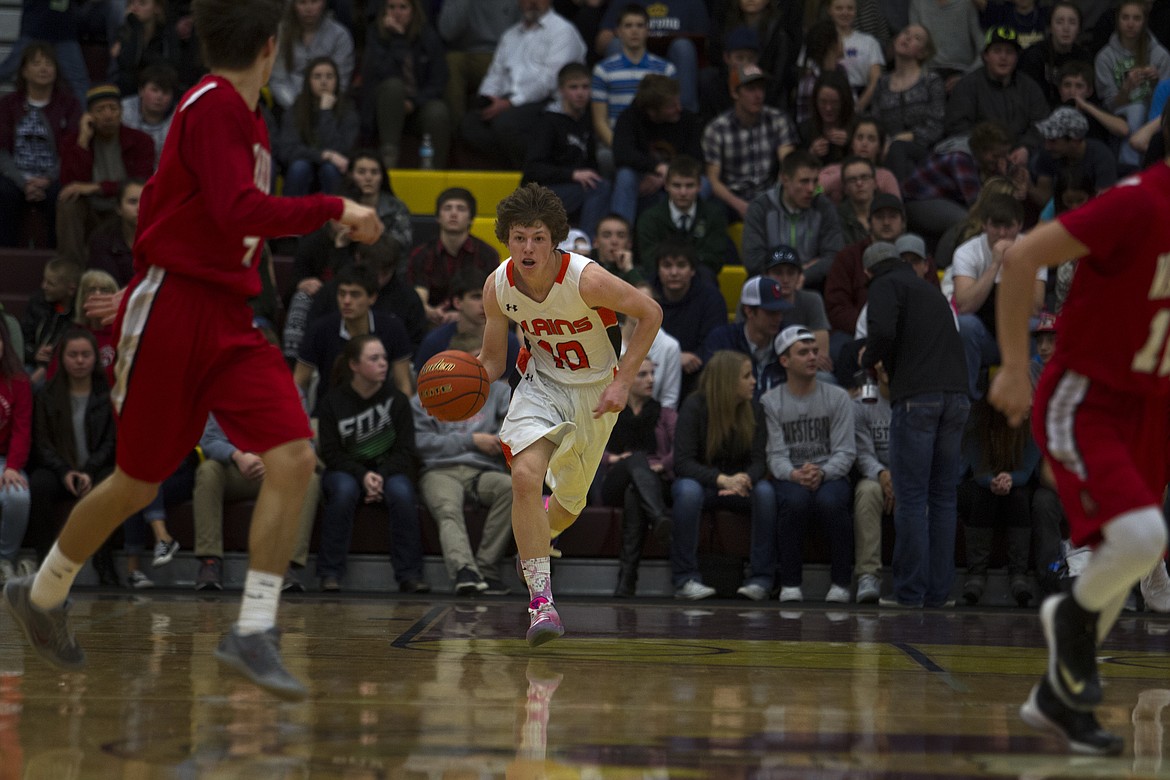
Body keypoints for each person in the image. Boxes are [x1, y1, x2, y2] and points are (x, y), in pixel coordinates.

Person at [3, 0, 384, 701]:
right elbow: (237, 210)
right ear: (271, 47)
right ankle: (44, 591)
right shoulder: (211, 105)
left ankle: (254, 627)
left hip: (224, 315)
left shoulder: (236, 114)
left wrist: (154, 269)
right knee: (138, 483)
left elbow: (173, 210)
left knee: (295, 455)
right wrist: (334, 208)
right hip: (177, 311)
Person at [989, 119, 1170, 755]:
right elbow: (1021, 256)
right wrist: (1014, 367)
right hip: (1086, 397)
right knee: (1146, 537)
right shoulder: (1135, 202)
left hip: (1152, 405)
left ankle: (1055, 702)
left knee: (1130, 560)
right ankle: (1067, 619)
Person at [477, 183, 662, 645]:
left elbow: (650, 312)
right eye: (519, 237)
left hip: (596, 392)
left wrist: (623, 381)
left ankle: (539, 528)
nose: (528, 247)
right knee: (524, 476)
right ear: (506, 239)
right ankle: (542, 604)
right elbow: (492, 363)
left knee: (567, 507)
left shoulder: (587, 279)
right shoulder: (498, 287)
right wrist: (457, 386)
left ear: (554, 238)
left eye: (538, 237)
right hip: (541, 385)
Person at [861, 241, 969, 608]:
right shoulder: (930, 291)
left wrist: (868, 358)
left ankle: (909, 592)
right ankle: (938, 593)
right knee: (943, 498)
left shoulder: (883, 285)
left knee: (911, 499)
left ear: (868, 272)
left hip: (918, 399)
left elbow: (883, 331)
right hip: (956, 397)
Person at [317, 334, 428, 594]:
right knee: (343, 492)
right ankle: (329, 573)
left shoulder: (398, 401)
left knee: (402, 494)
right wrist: (363, 475)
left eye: (384, 358)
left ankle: (410, 574)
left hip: (389, 470)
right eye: (374, 358)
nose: (383, 364)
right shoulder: (332, 402)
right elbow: (331, 453)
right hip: (345, 470)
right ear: (354, 365)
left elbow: (405, 450)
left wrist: (379, 475)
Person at [762, 325, 856, 603]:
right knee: (795, 502)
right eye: (803, 352)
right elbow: (775, 455)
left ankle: (841, 583)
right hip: (792, 475)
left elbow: (846, 451)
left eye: (815, 351)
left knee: (832, 502)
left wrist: (823, 472)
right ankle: (790, 583)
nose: (813, 357)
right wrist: (794, 474)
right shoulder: (770, 401)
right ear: (784, 361)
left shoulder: (838, 397)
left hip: (831, 473)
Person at [672, 350, 775, 601]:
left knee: (765, 492)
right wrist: (721, 479)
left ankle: (761, 579)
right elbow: (683, 462)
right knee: (687, 491)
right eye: (746, 376)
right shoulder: (694, 406)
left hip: (740, 486)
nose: (754, 381)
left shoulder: (755, 408)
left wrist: (744, 479)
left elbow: (760, 461)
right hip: (704, 484)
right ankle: (686, 578)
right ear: (728, 380)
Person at [25, 329, 118, 586]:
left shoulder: (107, 394)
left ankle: (104, 562)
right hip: (59, 471)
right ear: (62, 359)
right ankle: (45, 564)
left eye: (85, 355)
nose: (79, 361)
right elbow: (42, 444)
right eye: (73, 355)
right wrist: (65, 471)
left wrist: (88, 470)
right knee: (39, 484)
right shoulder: (46, 395)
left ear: (95, 359)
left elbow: (110, 443)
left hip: (94, 469)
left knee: (110, 484)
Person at [191, 413, 321, 592]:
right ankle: (210, 560)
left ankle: (285, 565)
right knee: (208, 470)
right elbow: (209, 441)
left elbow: (306, 446)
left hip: (276, 473)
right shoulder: (226, 390)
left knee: (309, 479)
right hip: (237, 470)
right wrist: (238, 456)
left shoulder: (289, 392)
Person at [412, 368, 514, 596]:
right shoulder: (426, 395)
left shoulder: (499, 391)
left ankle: (487, 568)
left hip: (482, 468)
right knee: (448, 508)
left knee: (511, 489)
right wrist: (470, 441)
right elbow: (420, 443)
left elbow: (512, 430)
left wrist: (498, 440)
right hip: (440, 469)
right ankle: (464, 570)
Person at [460, 0, 587, 169]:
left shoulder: (563, 31)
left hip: (549, 103)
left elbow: (549, 80)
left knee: (506, 124)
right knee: (470, 125)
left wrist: (510, 103)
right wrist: (487, 99)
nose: (532, 2)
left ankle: (536, 171)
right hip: (510, 101)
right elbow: (495, 75)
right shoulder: (510, 35)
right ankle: (512, 168)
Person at [949, 194, 1044, 399]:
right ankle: (966, 400)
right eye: (996, 226)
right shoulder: (967, 252)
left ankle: (1033, 400)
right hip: (986, 340)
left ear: (1019, 225)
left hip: (1020, 336)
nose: (1002, 234)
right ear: (984, 224)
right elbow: (964, 306)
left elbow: (1036, 308)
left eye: (1008, 226)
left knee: (1038, 325)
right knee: (965, 325)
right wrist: (995, 265)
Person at [54, 83, 154, 265]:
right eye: (100, 110)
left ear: (121, 112)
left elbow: (141, 182)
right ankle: (70, 270)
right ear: (89, 115)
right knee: (68, 203)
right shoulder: (73, 141)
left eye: (113, 108)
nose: (108, 115)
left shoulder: (141, 141)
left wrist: (95, 187)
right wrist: (83, 142)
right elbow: (70, 183)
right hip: (90, 209)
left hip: (123, 208)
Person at [295, 264, 414, 414]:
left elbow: (403, 384)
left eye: (355, 294)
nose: (346, 301)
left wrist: (405, 420)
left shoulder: (392, 328)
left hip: (380, 414)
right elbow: (299, 383)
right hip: (328, 416)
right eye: (341, 293)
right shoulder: (320, 329)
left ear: (372, 298)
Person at [603, 357, 675, 597]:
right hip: (614, 478)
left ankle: (627, 580)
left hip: (654, 480)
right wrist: (611, 459)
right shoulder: (607, 411)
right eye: (642, 375)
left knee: (634, 494)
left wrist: (661, 466)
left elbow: (681, 451)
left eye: (652, 374)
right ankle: (658, 516)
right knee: (635, 459)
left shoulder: (664, 414)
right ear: (625, 378)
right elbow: (585, 446)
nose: (651, 380)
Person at [958, 398, 1040, 606]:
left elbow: (1027, 468)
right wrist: (992, 481)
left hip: (1017, 485)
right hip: (980, 483)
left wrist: (1011, 479)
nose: (1029, 405)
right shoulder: (979, 421)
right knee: (982, 495)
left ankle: (1018, 575)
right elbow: (977, 467)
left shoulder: (1034, 424)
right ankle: (976, 574)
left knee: (1019, 497)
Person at [0, 43, 80, 249]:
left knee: (62, 194)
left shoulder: (69, 105)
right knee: (4, 192)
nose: (44, 68)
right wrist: (23, 182)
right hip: (15, 176)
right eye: (36, 63)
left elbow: (72, 150)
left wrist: (47, 179)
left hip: (54, 176)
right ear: (24, 70)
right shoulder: (8, 104)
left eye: (49, 63)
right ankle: (6, 259)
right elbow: (1, 151)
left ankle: (59, 261)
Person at [521, 62, 612, 240]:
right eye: (573, 87)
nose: (580, 93)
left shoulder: (587, 120)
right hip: (539, 194)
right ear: (561, 90)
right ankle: (585, 246)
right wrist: (573, 175)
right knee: (600, 188)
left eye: (585, 87)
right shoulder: (547, 121)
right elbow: (533, 168)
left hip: (571, 189)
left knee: (604, 184)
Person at [359, 0, 450, 170]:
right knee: (394, 86)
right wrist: (398, 39)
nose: (397, 13)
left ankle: (433, 171)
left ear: (413, 11)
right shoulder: (375, 35)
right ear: (383, 11)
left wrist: (414, 102)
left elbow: (438, 80)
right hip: (385, 108)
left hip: (417, 106)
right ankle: (389, 159)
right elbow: (381, 74)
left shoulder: (428, 36)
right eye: (391, 7)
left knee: (438, 112)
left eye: (403, 7)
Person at [702, 64, 796, 222]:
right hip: (733, 197)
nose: (758, 95)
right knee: (714, 210)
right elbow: (713, 180)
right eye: (751, 89)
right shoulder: (717, 129)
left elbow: (789, 164)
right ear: (734, 92)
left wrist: (775, 198)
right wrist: (739, 205)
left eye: (761, 89)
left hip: (770, 192)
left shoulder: (777, 119)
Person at [741, 149, 845, 288]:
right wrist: (792, 273)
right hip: (769, 285)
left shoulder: (824, 207)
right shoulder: (760, 208)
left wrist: (804, 275)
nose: (811, 188)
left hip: (811, 284)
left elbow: (834, 256)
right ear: (785, 179)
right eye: (804, 181)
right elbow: (753, 260)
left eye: (815, 181)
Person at [610, 74, 705, 224]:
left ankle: (687, 234)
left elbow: (695, 159)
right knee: (625, 176)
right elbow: (622, 153)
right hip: (643, 176)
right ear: (652, 111)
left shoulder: (687, 120)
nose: (678, 108)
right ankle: (621, 233)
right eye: (671, 106)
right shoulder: (629, 118)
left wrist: (666, 176)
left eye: (677, 102)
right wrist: (656, 167)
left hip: (677, 176)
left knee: (704, 184)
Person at [944, 26, 1048, 159]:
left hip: (1021, 154)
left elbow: (1042, 123)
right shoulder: (967, 86)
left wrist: (1026, 148)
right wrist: (990, 149)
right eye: (997, 51)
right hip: (980, 155)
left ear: (1017, 57)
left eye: (1009, 52)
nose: (1003, 57)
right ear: (985, 56)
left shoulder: (1030, 87)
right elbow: (956, 127)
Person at [590, 4, 676, 157]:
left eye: (640, 25)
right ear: (618, 31)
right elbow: (600, 122)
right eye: (628, 26)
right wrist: (622, 149)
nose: (634, 30)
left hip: (655, 144)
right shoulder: (602, 70)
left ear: (648, 30)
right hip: (615, 144)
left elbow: (670, 114)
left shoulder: (666, 70)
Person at [409, 188, 501, 328]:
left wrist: (464, 315)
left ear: (471, 218)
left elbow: (494, 299)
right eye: (447, 208)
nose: (453, 213)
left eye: (461, 209)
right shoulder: (421, 254)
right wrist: (430, 312)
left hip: (477, 323)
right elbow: (417, 297)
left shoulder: (487, 254)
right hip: (432, 324)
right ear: (438, 217)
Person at [1095, 0, 1170, 169]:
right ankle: (1129, 168)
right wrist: (1126, 89)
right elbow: (1109, 106)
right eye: (1125, 18)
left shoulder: (1160, 55)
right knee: (1137, 108)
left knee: (1143, 109)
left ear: (1144, 21)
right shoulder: (1105, 57)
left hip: (1155, 115)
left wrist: (1156, 83)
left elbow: (1166, 102)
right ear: (1117, 20)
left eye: (1136, 18)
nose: (1130, 24)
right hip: (1120, 115)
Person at [652, 239, 730, 399]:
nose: (674, 272)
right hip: (654, 370)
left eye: (681, 265)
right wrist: (674, 357)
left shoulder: (711, 298)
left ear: (693, 270)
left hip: (696, 373)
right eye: (667, 266)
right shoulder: (646, 296)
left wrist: (694, 357)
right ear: (658, 270)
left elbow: (716, 342)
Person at [869, 24, 946, 182]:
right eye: (905, 33)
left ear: (923, 52)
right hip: (887, 149)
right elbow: (875, 121)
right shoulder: (883, 83)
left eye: (916, 38)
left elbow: (936, 125)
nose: (908, 38)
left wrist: (899, 139)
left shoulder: (931, 81)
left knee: (898, 150)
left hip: (923, 148)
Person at [275, 56, 359, 197]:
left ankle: (336, 217)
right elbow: (287, 150)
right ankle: (291, 217)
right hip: (302, 170)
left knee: (330, 168)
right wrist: (323, 155)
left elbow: (342, 150)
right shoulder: (296, 109)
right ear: (309, 81)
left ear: (337, 81)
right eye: (317, 76)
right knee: (300, 167)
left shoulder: (347, 110)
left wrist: (325, 112)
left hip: (335, 171)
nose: (324, 81)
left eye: (329, 76)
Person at [635, 155, 728, 280]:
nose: (683, 192)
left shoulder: (714, 215)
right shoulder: (650, 218)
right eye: (677, 185)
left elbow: (716, 259)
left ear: (700, 186)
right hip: (660, 282)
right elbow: (649, 260)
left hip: (701, 281)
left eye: (689, 186)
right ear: (666, 185)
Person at [701, 275, 789, 400]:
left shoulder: (787, 341)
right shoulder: (722, 340)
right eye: (771, 312)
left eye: (780, 312)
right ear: (749, 311)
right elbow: (714, 388)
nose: (778, 318)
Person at [436, 0, 519, 129]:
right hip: (469, 55)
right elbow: (446, 32)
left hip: (506, 53)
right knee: (451, 61)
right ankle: (457, 133)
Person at [267, 0, 355, 112]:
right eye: (302, 2)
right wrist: (297, 107)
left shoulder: (340, 36)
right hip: (289, 108)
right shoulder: (281, 34)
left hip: (330, 107)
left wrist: (323, 108)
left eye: (314, 2)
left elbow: (341, 82)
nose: (308, 8)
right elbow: (278, 80)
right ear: (293, 4)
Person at [851, 363, 892, 603]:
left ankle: (915, 577)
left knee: (923, 497)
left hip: (910, 476)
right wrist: (882, 474)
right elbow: (862, 453)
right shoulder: (862, 403)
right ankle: (868, 575)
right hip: (875, 476)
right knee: (867, 492)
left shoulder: (915, 400)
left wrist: (902, 478)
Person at [0, 317, 32, 584]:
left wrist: (12, 466)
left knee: (18, 497)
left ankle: (5, 560)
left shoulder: (18, 381)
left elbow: (22, 429)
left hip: (5, 461)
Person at [1017, 1, 1093, 109]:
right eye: (1059, 22)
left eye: (1072, 22)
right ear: (1050, 27)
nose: (1066, 28)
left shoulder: (1084, 58)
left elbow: (1090, 97)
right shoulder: (1033, 55)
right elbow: (1028, 96)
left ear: (1079, 29)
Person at [20, 257, 79, 387]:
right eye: (44, 280)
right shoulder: (38, 303)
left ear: (71, 289)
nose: (44, 286)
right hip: (30, 362)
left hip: (61, 369)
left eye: (50, 283)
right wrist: (35, 352)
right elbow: (22, 339)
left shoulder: (78, 314)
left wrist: (47, 365)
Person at [826, 0, 884, 113]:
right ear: (829, 11)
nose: (845, 12)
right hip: (827, 97)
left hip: (861, 97)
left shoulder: (869, 42)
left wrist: (858, 107)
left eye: (850, 8)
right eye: (839, 8)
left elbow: (876, 80)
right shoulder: (820, 39)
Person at [119, 63, 177, 169]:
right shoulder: (122, 110)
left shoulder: (179, 118)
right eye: (154, 90)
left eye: (165, 92)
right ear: (141, 90)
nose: (159, 97)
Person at [88, 179, 144, 287]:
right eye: (132, 202)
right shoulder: (102, 240)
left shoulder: (164, 239)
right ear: (118, 208)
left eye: (145, 201)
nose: (139, 208)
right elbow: (105, 285)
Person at [798, 71, 854, 168]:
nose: (828, 108)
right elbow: (796, 168)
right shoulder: (804, 129)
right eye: (823, 101)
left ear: (844, 101)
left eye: (835, 102)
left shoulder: (858, 126)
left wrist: (852, 144)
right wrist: (811, 154)